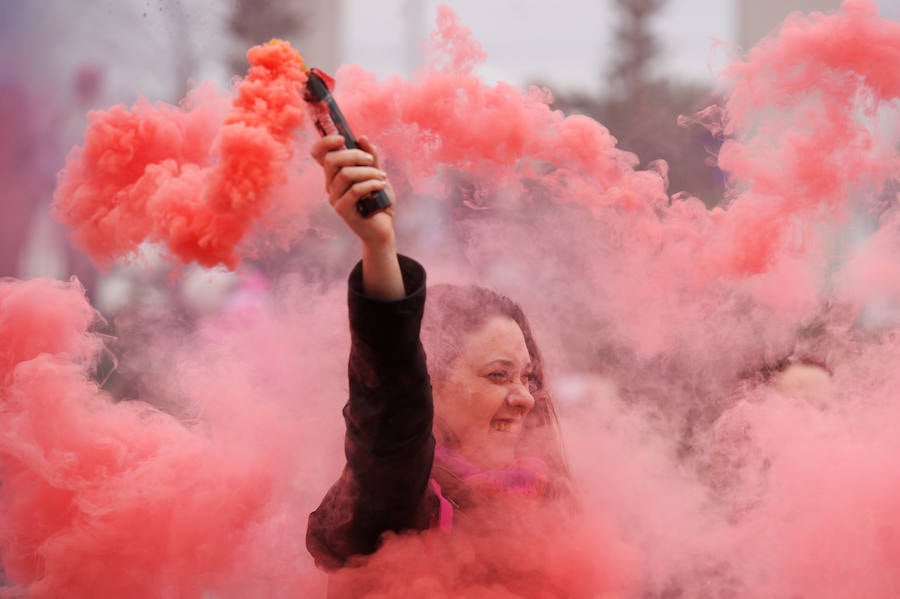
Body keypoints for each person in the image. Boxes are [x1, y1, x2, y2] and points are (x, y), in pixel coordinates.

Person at [304, 134, 574, 574]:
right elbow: (389, 404)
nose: (524, 398)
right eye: (498, 375)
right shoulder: (390, 501)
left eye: (528, 378)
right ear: (430, 385)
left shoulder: (553, 500)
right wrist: (378, 247)